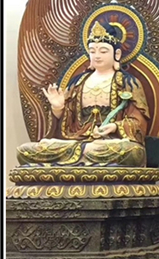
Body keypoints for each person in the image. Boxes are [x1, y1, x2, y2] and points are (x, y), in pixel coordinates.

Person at [17, 21, 149, 167]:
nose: (97, 56)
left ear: (116, 54)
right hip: (75, 142)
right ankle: (85, 155)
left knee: (133, 152)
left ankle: (83, 156)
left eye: (103, 51)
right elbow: (64, 127)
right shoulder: (77, 83)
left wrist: (115, 127)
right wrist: (58, 108)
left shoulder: (128, 83)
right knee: (25, 151)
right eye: (92, 51)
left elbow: (138, 123)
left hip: (109, 144)